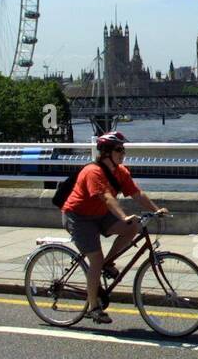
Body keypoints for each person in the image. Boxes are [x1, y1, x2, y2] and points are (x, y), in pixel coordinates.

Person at [60, 131, 168, 323]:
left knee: (133, 227)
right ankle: (93, 307)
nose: (123, 153)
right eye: (119, 150)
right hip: (78, 217)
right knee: (95, 258)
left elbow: (136, 193)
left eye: (123, 149)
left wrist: (156, 210)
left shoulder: (120, 172)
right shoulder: (93, 171)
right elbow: (107, 198)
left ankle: (107, 264)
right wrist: (124, 216)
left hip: (99, 214)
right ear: (107, 153)